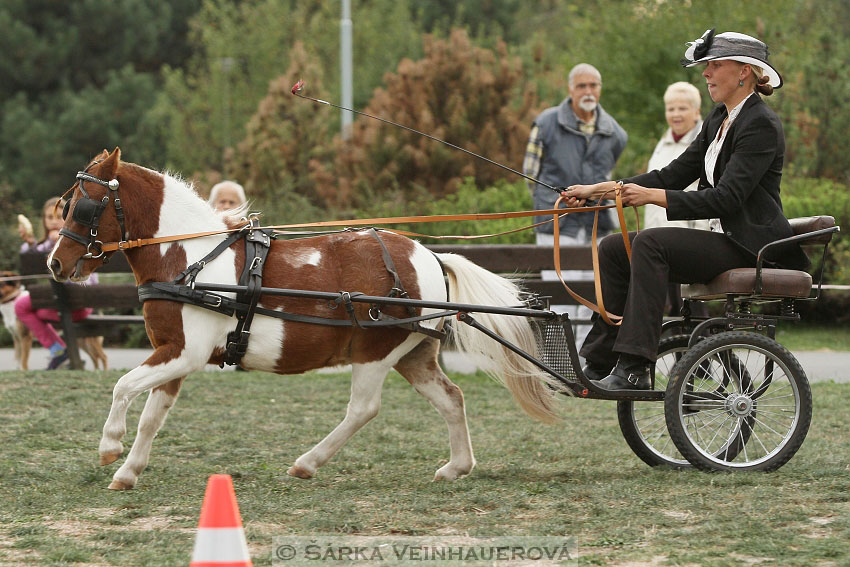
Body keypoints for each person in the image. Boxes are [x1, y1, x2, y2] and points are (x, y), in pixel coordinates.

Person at [562, 29, 808, 390]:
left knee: (650, 244)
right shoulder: (719, 118)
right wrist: (600, 191)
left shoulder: (760, 124)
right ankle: (599, 362)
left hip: (748, 245)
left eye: (715, 65)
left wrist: (650, 196)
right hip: (721, 239)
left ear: (743, 71)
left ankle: (634, 368)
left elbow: (726, 199)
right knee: (613, 247)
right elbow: (672, 175)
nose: (706, 73)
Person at [522, 63, 627, 345]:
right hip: (557, 224)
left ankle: (584, 359)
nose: (588, 91)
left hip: (597, 225)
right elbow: (531, 175)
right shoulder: (546, 123)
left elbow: (608, 176)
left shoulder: (616, 133)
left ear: (600, 89)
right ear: (570, 89)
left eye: (593, 85)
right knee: (560, 295)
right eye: (582, 86)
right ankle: (559, 359)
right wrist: (553, 205)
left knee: (595, 295)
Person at [645, 82, 709, 317]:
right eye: (671, 109)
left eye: (682, 108)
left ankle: (702, 342)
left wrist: (702, 235)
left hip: (688, 239)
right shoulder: (663, 143)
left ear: (696, 111)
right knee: (671, 308)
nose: (676, 114)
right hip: (659, 239)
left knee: (692, 308)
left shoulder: (705, 142)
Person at [14, 197, 97, 369]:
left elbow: (88, 281)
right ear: (43, 221)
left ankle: (58, 350)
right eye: (49, 217)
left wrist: (56, 242)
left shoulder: (79, 244)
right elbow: (31, 255)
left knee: (22, 305)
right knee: (31, 309)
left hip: (79, 303)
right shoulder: (44, 245)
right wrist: (29, 242)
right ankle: (59, 350)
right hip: (59, 304)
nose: (53, 221)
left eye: (59, 217)